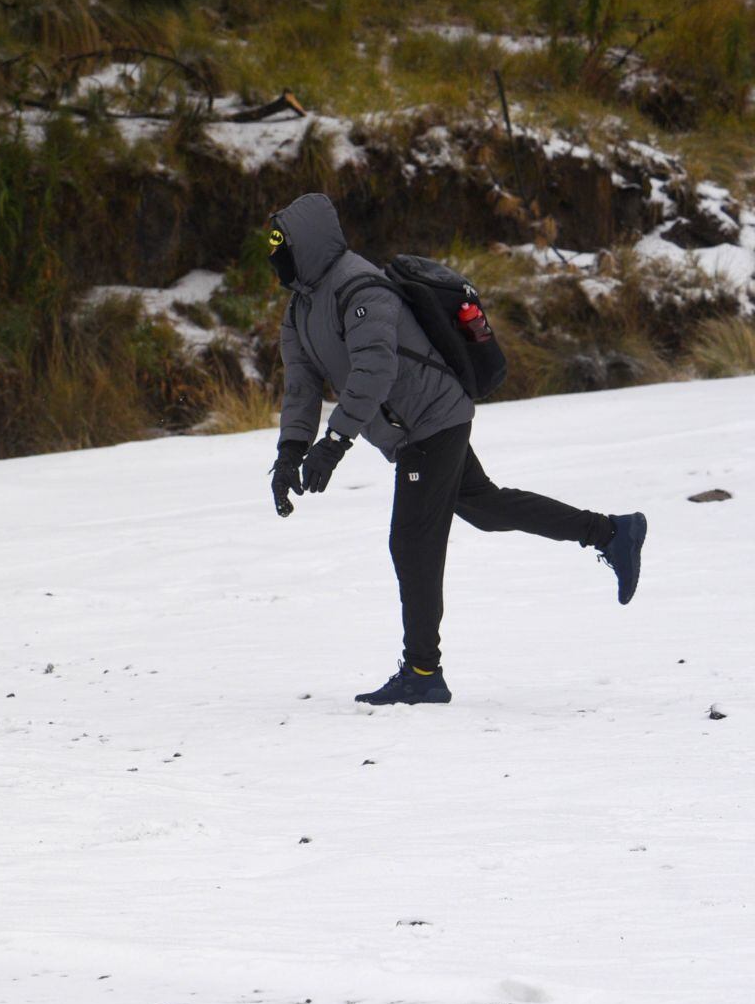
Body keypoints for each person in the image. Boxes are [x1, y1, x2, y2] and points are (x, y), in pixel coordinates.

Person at [266, 193, 648, 705]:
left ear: (305, 246)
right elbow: (301, 385)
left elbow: (374, 370)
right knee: (485, 507)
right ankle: (611, 532)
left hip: (431, 419)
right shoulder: (301, 308)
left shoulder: (360, 290)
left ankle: (424, 671)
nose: (275, 259)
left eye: (281, 247)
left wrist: (334, 443)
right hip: (414, 426)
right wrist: (290, 452)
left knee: (412, 541)